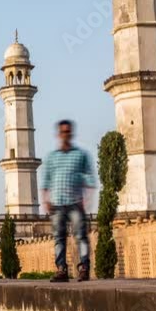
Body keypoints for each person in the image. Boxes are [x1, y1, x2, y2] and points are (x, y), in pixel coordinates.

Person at [41, 119, 96, 283]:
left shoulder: (80, 155)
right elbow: (46, 181)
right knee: (59, 238)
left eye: (68, 131)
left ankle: (84, 268)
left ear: (71, 133)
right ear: (59, 134)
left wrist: (87, 199)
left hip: (75, 202)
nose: (66, 134)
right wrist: (46, 200)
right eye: (63, 132)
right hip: (57, 203)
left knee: (81, 236)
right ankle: (61, 270)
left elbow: (90, 179)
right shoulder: (52, 157)